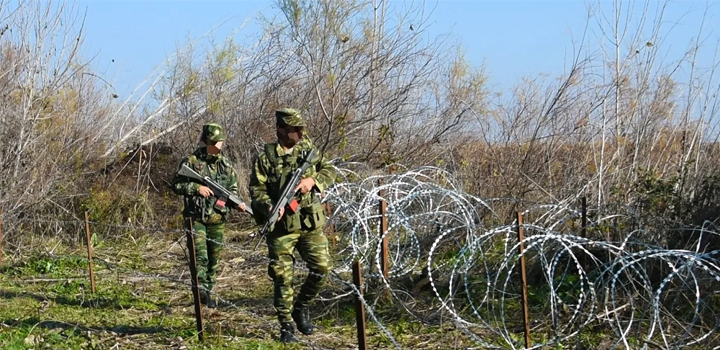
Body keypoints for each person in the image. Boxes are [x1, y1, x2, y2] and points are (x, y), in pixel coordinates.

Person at [249, 108, 337, 342]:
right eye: (293, 129)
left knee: (322, 268)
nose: (299, 133)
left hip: (308, 222)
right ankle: (286, 324)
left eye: (300, 129)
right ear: (280, 129)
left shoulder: (309, 150)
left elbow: (329, 170)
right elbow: (256, 189)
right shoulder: (266, 157)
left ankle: (302, 306)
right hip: (281, 228)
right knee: (282, 276)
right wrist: (269, 207)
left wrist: (313, 181)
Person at [171, 122, 246, 308]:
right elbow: (177, 185)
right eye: (213, 142)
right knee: (200, 256)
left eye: (219, 142)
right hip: (196, 219)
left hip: (217, 219)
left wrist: (236, 204)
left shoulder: (225, 164)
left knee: (213, 260)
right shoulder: (191, 162)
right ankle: (200, 291)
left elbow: (232, 189)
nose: (216, 146)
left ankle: (208, 292)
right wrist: (197, 187)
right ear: (204, 141)